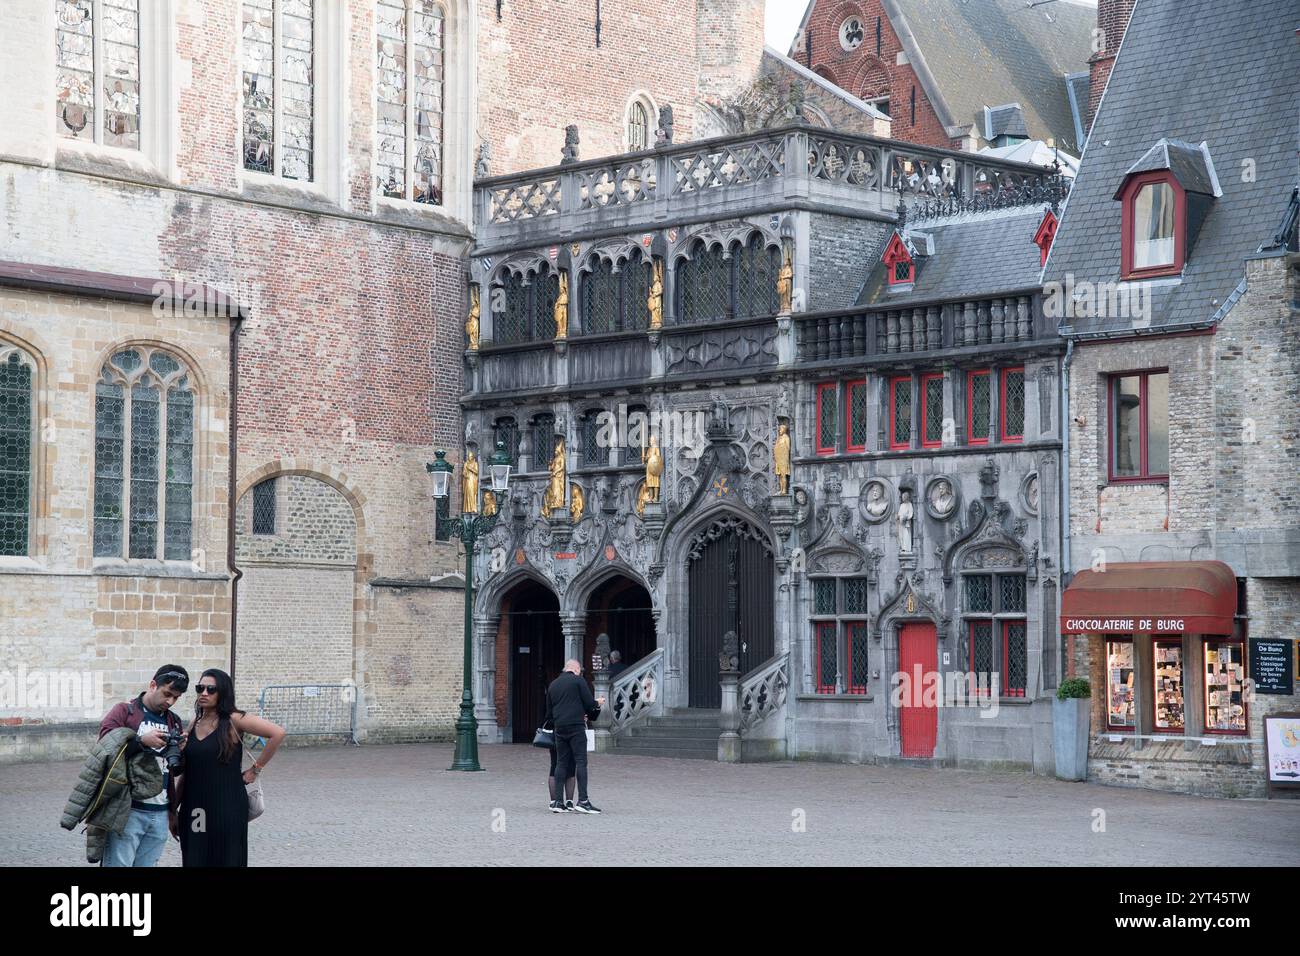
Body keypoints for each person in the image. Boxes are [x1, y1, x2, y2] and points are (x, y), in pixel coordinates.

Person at [174, 668, 285, 867]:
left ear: (223, 692)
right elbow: (188, 772)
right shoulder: (194, 723)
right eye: (200, 688)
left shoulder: (234, 719)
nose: (204, 693)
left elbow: (277, 733)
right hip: (196, 808)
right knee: (195, 858)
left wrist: (255, 769)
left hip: (228, 805)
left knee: (227, 859)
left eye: (211, 689)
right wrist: (173, 811)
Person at [96, 665, 190, 867]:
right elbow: (104, 749)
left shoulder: (174, 721)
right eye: (167, 694)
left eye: (176, 698)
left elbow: (176, 769)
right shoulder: (125, 711)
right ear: (153, 685)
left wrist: (182, 751)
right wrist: (141, 741)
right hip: (128, 810)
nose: (170, 701)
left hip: (160, 811)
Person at [545, 660, 604, 814]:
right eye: (580, 670)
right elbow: (589, 704)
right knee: (581, 762)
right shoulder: (578, 681)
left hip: (559, 728)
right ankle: (583, 801)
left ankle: (558, 802)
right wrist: (597, 703)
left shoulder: (553, 684)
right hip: (576, 727)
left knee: (561, 763)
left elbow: (549, 713)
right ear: (576, 669)